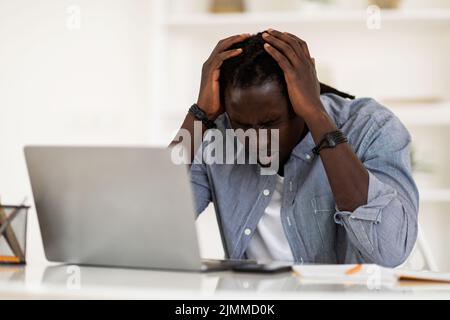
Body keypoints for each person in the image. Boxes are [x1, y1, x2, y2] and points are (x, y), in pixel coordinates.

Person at [170, 30, 419, 267]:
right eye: (242, 125)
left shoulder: (372, 127)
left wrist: (316, 114)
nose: (256, 139)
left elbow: (391, 251)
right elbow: (146, 228)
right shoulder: (218, 135)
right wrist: (199, 115)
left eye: (270, 123)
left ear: (301, 102)